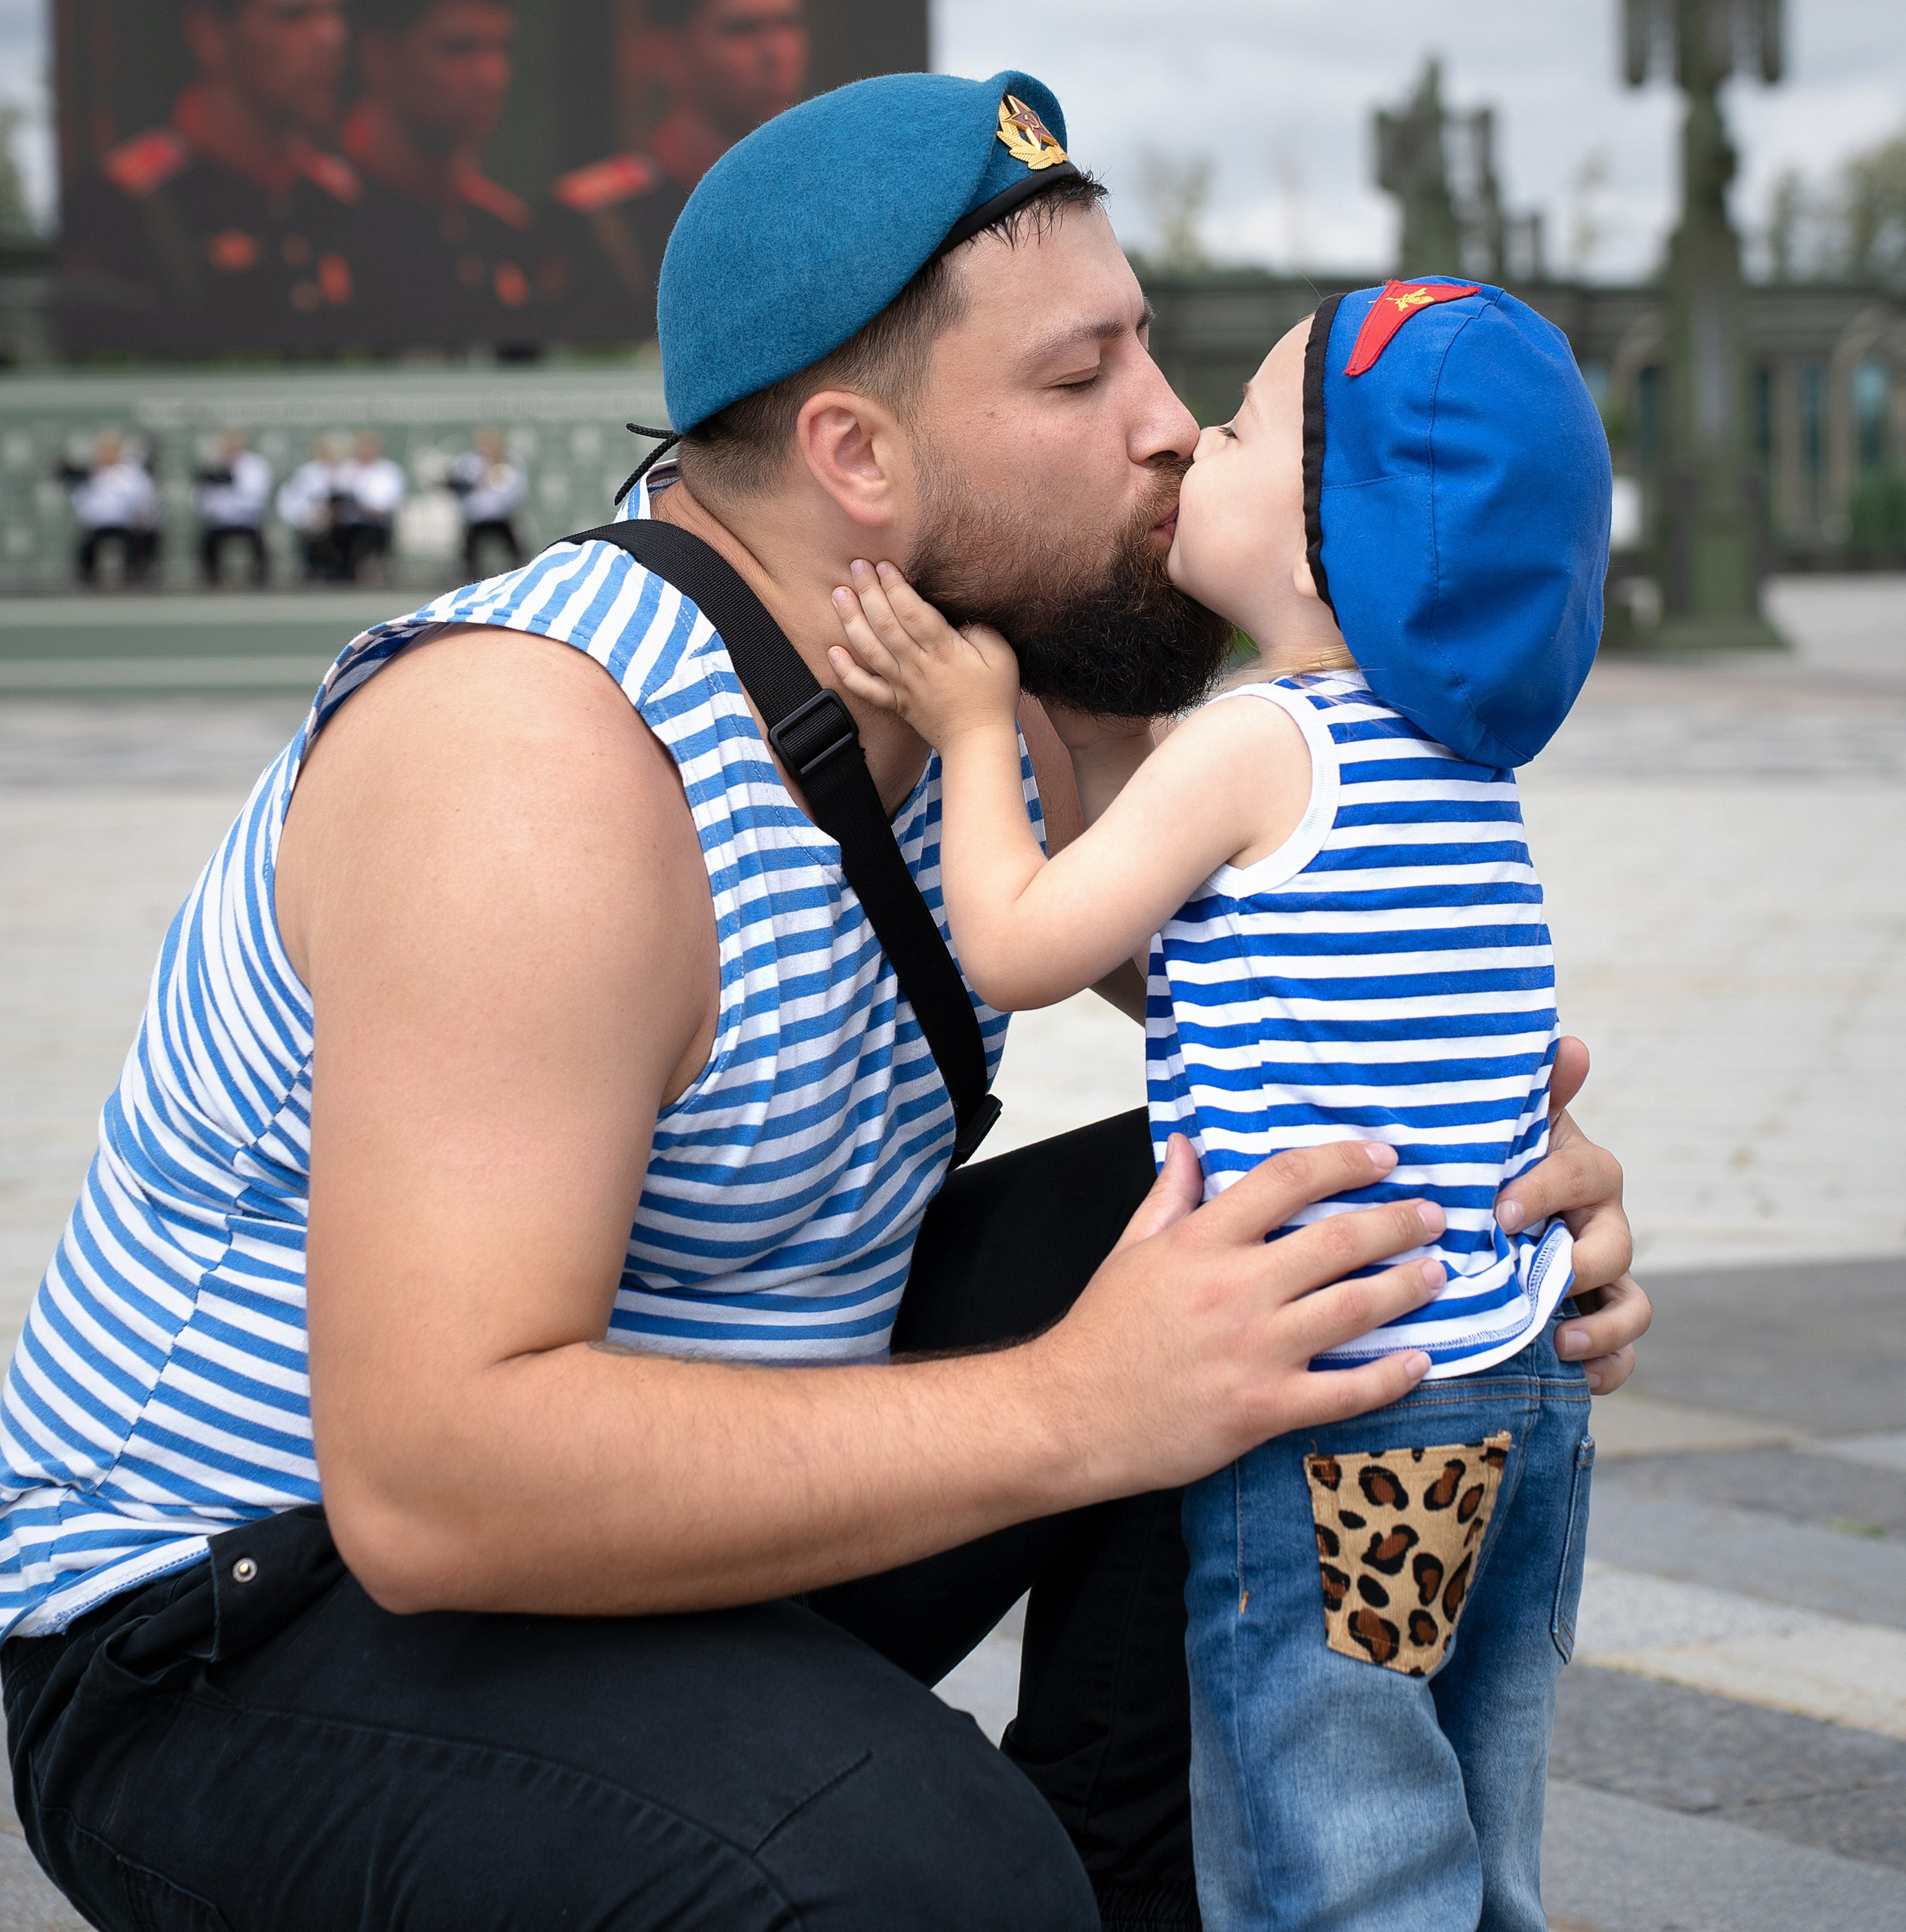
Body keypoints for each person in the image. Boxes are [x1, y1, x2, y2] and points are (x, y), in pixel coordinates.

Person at [0, 75, 1648, 1932]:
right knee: (915, 1882)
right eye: (1077, 376)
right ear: (857, 458)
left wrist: (1475, 1204)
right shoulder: (539, 760)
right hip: (251, 1627)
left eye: (1155, 359)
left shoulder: (988, 704)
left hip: (667, 1471)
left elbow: (1305, 1010)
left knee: (1262, 1230)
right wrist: (1078, 1404)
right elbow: (430, 1482)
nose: (1171, 433)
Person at [827, 278, 1612, 1932]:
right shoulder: (1454, 769)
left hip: (1344, 1411)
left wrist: (978, 731)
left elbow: (1024, 942)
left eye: (1244, 427)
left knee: (1321, 1845)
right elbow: (1238, 969)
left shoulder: (1258, 738)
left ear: (1332, 529)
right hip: (1518, 1385)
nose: (1191, 437)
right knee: (1472, 1833)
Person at [57, 0, 361, 355]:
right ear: (210, 34)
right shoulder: (123, 199)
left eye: (338, 14)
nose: (331, 36)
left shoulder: (340, 192)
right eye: (292, 15)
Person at [538, 0, 805, 342]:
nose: (776, 52)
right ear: (670, 53)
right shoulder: (597, 220)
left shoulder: (817, 197)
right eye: (741, 29)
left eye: (788, 24)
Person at [342, 0, 535, 346]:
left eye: (500, 48)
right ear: (379, 56)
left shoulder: (502, 230)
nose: (490, 76)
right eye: (458, 49)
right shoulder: (322, 211)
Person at [60, 431, 160, 586]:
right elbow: (79, 497)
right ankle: (86, 579)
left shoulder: (129, 474)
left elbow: (139, 497)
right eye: (104, 452)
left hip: (124, 524)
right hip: (97, 525)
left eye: (112, 451)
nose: (107, 455)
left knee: (140, 540)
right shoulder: (90, 474)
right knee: (85, 542)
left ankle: (134, 578)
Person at [195, 429, 275, 586]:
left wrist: (232, 488)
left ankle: (260, 579)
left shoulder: (256, 465)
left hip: (248, 521)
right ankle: (211, 579)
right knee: (208, 538)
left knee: (259, 539)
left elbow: (257, 495)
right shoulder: (213, 464)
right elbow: (202, 496)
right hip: (220, 521)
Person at [447, 424, 527, 575]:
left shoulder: (511, 461)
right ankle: (468, 578)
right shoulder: (468, 462)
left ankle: (519, 577)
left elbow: (517, 489)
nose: (489, 447)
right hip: (476, 519)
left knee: (516, 552)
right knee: (468, 555)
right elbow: (458, 485)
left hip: (502, 518)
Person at [277, 432, 352, 579]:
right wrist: (308, 517)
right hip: (311, 525)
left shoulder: (349, 472)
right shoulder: (306, 474)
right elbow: (291, 500)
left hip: (341, 527)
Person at [339, 428, 407, 577]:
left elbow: (389, 501)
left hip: (374, 523)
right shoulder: (347, 469)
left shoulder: (388, 471)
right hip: (347, 523)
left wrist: (370, 506)